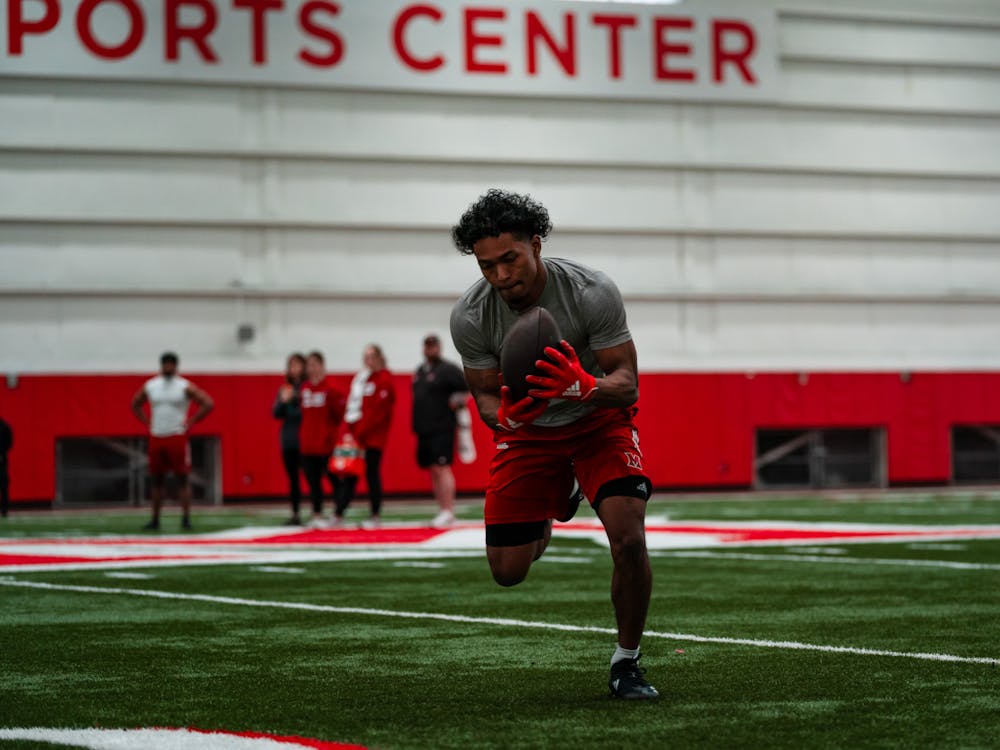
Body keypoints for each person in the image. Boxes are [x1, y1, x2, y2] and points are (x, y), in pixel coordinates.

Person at [449, 189, 658, 700]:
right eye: (487, 266)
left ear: (536, 245)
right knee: (507, 573)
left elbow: (626, 382)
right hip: (531, 434)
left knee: (628, 537)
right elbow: (483, 396)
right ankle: (552, 503)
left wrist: (584, 385)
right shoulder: (470, 316)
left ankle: (626, 662)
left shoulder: (590, 292)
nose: (500, 276)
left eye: (510, 259)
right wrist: (508, 417)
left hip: (596, 420)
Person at [131, 352, 214, 531]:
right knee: (156, 479)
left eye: (171, 364)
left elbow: (208, 402)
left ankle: (185, 518)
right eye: (165, 364)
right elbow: (135, 403)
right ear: (161, 366)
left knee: (182, 478)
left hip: (177, 435)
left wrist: (191, 421)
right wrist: (146, 422)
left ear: (176, 366)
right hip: (157, 435)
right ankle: (155, 519)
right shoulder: (152, 385)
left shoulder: (183, 386)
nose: (168, 367)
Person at [412, 334, 471, 528]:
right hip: (425, 428)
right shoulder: (420, 371)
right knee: (433, 469)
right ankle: (442, 509)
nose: (430, 350)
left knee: (442, 467)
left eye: (433, 346)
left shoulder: (448, 370)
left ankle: (448, 510)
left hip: (442, 426)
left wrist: (457, 402)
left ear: (439, 347)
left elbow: (467, 388)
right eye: (427, 346)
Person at [337, 345, 396, 530]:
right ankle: (338, 513)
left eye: (371, 356)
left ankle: (375, 515)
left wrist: (361, 433)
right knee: (350, 475)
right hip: (359, 438)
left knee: (372, 474)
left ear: (379, 357)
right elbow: (355, 408)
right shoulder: (363, 379)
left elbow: (378, 414)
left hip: (373, 439)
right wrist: (353, 433)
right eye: (366, 356)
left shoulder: (384, 380)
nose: (368, 360)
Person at [299, 351, 346, 528]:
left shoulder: (330, 388)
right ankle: (317, 514)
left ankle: (337, 513)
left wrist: (329, 434)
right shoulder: (304, 389)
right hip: (307, 443)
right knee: (313, 482)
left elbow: (339, 414)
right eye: (308, 365)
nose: (311, 368)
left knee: (334, 480)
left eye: (314, 364)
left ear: (321, 366)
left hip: (326, 444)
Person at [273, 352, 307, 525]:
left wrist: (296, 399)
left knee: (313, 475)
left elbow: (305, 414)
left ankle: (319, 511)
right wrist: (283, 401)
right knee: (293, 478)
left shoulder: (307, 388)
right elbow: (276, 413)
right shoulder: (285, 388)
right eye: (291, 365)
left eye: (298, 365)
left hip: (306, 438)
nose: (294, 369)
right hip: (289, 438)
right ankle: (295, 513)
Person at [0, 415, 11, 518]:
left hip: (2, 462)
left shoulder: (4, 427)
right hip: (2, 461)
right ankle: (4, 509)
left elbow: (9, 443)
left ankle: (4, 509)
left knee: (4, 487)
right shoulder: (5, 426)